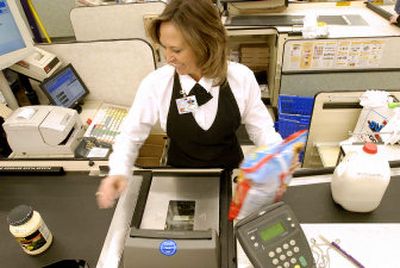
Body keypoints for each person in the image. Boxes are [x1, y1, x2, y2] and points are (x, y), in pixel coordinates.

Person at [96, 0, 285, 209]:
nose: (168, 58)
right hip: (180, 178)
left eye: (176, 50)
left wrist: (278, 159)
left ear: (206, 44)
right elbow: (131, 134)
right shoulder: (157, 83)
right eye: (164, 47)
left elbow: (262, 130)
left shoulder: (241, 77)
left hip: (230, 177)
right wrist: (119, 170)